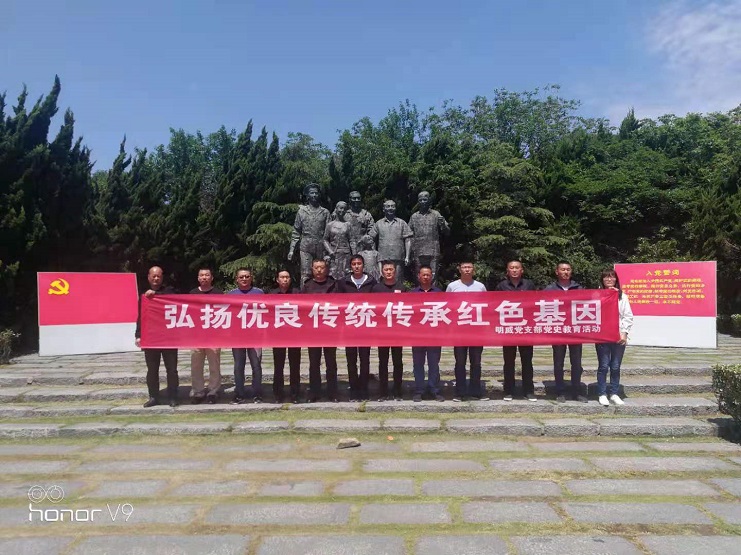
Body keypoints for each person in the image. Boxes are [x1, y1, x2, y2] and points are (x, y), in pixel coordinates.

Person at [135, 266, 179, 408]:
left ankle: (173, 396)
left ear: (162, 277)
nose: (156, 278)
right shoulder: (144, 296)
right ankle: (153, 396)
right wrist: (138, 335)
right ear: (148, 277)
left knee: (172, 369)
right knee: (152, 369)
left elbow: (174, 299)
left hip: (169, 337)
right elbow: (141, 317)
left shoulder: (169, 291)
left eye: (158, 276)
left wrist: (157, 294)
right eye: (153, 276)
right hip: (151, 338)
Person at [544, 261, 587, 403]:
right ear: (557, 272)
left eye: (568, 269)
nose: (565, 272)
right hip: (558, 331)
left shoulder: (579, 288)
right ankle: (560, 392)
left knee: (576, 363)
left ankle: (577, 392)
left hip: (575, 331)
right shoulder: (549, 289)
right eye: (562, 269)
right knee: (558, 363)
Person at [446, 261, 488, 401]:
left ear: (473, 270)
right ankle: (460, 392)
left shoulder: (480, 286)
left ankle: (476, 391)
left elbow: (486, 306)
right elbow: (447, 306)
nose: (467, 269)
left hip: (477, 330)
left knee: (476, 362)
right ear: (460, 269)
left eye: (469, 267)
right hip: (459, 330)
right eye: (464, 267)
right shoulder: (452, 286)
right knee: (460, 362)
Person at [495, 260, 537, 401]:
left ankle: (528, 391)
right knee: (508, 361)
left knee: (527, 361)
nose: (514, 270)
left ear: (522, 270)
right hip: (508, 329)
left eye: (517, 268)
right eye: (511, 268)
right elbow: (494, 304)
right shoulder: (501, 286)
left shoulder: (529, 285)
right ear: (507, 271)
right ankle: (508, 391)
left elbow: (535, 304)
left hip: (525, 328)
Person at [337, 254, 377, 400]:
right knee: (351, 359)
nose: (356, 266)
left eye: (359, 263)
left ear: (363, 265)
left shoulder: (371, 282)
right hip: (350, 327)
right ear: (350, 266)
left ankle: (364, 388)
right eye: (354, 264)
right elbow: (338, 303)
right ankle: (353, 388)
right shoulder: (344, 282)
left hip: (366, 326)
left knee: (365, 359)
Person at [302, 259, 339, 402]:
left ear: (326, 269)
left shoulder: (334, 285)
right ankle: (314, 392)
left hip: (330, 329)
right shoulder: (307, 286)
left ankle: (332, 392)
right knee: (314, 363)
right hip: (313, 331)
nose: (319, 270)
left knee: (331, 363)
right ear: (312, 269)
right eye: (316, 267)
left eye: (322, 267)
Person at [596, 268, 633, 406]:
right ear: (602, 280)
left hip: (618, 335)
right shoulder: (597, 295)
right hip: (602, 335)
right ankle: (602, 393)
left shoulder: (622, 296)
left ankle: (614, 393)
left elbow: (627, 316)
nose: (609, 279)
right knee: (603, 366)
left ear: (616, 279)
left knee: (616, 366)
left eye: (612, 277)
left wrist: (624, 332)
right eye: (606, 277)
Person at [228, 268, 265, 404]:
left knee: (256, 365)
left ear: (251, 278)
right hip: (237, 336)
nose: (244, 279)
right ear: (237, 279)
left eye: (247, 276)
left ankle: (257, 393)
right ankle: (239, 393)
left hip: (255, 335)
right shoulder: (231, 294)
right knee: (238, 366)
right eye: (241, 277)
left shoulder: (259, 293)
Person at [371, 261, 407, 400]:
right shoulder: (376, 288)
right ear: (382, 272)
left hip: (398, 331)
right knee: (383, 361)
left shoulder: (402, 288)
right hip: (382, 331)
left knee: (397, 361)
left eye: (391, 269)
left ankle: (398, 390)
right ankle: (383, 392)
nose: (388, 272)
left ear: (395, 271)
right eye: (386, 270)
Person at [410, 265, 444, 402]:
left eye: (428, 275)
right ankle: (419, 390)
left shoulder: (439, 293)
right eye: (423, 275)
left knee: (434, 364)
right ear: (418, 276)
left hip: (434, 335)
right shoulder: (412, 294)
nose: (425, 277)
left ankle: (434, 390)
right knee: (418, 364)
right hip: (417, 335)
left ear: (432, 276)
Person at [189, 268, 223, 404]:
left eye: (207, 275)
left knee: (214, 364)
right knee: (196, 364)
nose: (204, 277)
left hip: (214, 335)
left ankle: (213, 391)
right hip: (196, 335)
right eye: (202, 275)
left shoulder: (218, 293)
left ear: (211, 277)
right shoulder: (192, 293)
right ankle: (198, 391)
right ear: (198, 278)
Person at [269, 269, 303, 403]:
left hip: (295, 335)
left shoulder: (297, 293)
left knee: (295, 365)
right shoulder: (272, 295)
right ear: (277, 280)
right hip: (278, 335)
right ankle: (278, 393)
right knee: (278, 365)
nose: (285, 279)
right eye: (282, 277)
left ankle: (295, 393)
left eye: (287, 277)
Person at [288, 183, 330, 281]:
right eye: (312, 193)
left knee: (321, 273)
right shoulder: (301, 212)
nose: (314, 195)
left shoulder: (325, 212)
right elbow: (296, 231)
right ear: (307, 196)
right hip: (306, 247)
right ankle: (305, 291)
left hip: (321, 247)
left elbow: (329, 234)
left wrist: (329, 251)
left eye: (316, 193)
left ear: (319, 195)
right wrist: (291, 250)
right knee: (306, 274)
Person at [366, 199, 413, 283]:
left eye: (392, 206)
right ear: (384, 209)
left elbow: (408, 239)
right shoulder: (378, 223)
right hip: (383, 257)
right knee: (383, 281)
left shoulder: (402, 223)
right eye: (388, 206)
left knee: (398, 280)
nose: (390, 208)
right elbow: (370, 239)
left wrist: (407, 256)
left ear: (395, 209)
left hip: (398, 257)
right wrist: (374, 254)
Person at [408, 191, 449, 283]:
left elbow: (447, 232)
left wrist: (443, 224)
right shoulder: (414, 216)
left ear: (429, 200)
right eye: (421, 200)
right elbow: (408, 235)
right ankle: (419, 292)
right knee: (419, 276)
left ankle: (433, 291)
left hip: (433, 250)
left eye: (425, 199)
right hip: (418, 251)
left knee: (433, 276)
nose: (423, 202)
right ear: (418, 201)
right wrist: (410, 252)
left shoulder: (436, 214)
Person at [323, 201, 355, 280]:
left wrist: (354, 255)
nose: (342, 210)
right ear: (336, 209)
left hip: (346, 254)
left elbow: (352, 241)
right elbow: (325, 240)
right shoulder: (330, 225)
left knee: (345, 275)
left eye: (344, 209)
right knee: (333, 275)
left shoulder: (348, 224)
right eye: (341, 208)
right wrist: (330, 251)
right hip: (334, 255)